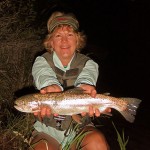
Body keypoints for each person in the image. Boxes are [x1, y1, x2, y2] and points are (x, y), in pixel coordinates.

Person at [30, 11, 110, 150]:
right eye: (58, 35)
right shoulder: (41, 61)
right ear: (51, 42)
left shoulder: (89, 63)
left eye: (70, 35)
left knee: (97, 143)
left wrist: (86, 87)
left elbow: (88, 76)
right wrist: (50, 85)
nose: (64, 40)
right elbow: (42, 74)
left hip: (80, 129)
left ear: (78, 40)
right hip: (47, 132)